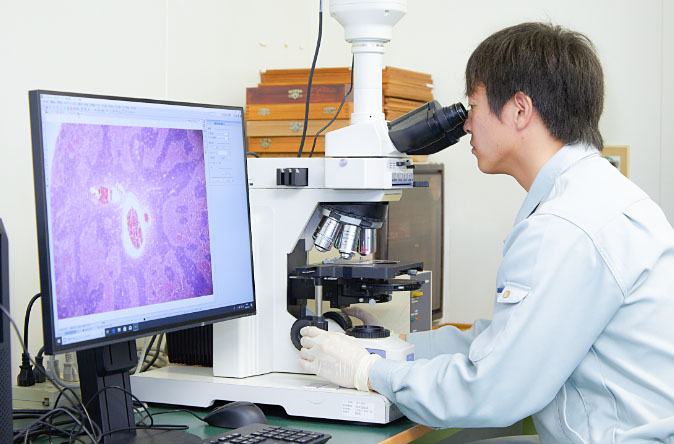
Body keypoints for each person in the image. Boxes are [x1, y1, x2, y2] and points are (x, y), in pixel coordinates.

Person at [299, 22, 674, 444]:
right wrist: (397, 342)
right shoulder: (597, 195)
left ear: (519, 110)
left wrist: (370, 372)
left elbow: (492, 389)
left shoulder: (566, 227)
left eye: (472, 105)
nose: (466, 126)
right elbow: (505, 343)